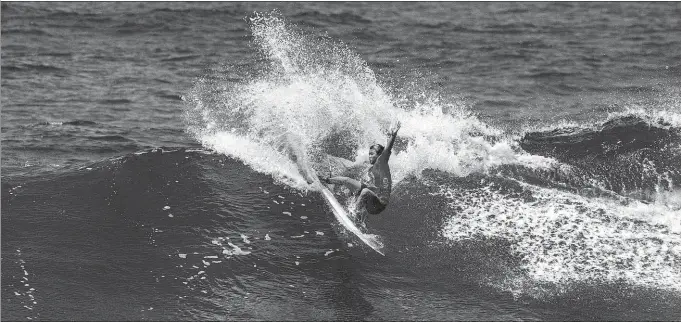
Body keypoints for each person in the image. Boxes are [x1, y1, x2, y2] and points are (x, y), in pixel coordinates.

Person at [320, 121, 401, 219]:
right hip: (370, 198)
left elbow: (387, 149)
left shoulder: (382, 162)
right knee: (346, 181)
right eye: (369, 153)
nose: (370, 156)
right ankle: (326, 180)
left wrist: (393, 135)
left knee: (365, 191)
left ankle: (353, 215)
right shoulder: (371, 168)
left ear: (379, 155)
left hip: (378, 204)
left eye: (372, 154)